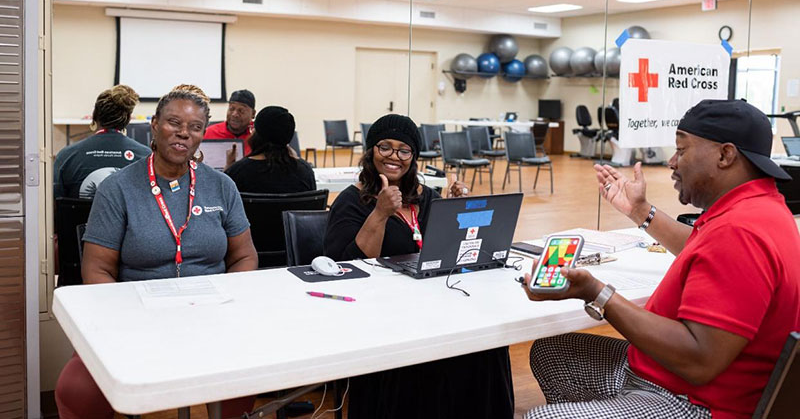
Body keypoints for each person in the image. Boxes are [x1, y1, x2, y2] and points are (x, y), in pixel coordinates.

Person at [522, 99, 800, 419]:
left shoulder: (741, 232)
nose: (671, 161)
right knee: (552, 351)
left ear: (725, 155)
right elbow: (700, 247)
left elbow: (699, 361)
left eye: (682, 150)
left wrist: (597, 293)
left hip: (691, 402)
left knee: (538, 418)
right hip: (661, 374)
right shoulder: (760, 208)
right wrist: (639, 211)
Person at [55, 84, 258, 419]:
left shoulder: (222, 186)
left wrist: (225, 299)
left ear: (202, 135)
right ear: (153, 125)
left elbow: (244, 256)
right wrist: (129, 317)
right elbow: (97, 269)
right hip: (135, 315)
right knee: (75, 389)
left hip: (210, 315)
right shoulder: (117, 188)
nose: (183, 134)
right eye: (173, 123)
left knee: (244, 377)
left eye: (194, 127)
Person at [324, 114, 515, 419]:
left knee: (487, 344)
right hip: (381, 310)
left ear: (413, 157)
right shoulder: (351, 201)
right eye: (385, 147)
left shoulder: (426, 198)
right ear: (371, 150)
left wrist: (457, 209)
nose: (393, 157)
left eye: (403, 150)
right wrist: (380, 212)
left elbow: (451, 250)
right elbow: (350, 269)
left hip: (432, 305)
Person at [53, 84, 151, 199]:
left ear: (94, 115)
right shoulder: (146, 157)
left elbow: (55, 202)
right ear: (128, 119)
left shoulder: (66, 156)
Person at [225, 105, 316, 193]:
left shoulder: (238, 172)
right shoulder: (305, 171)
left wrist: (228, 167)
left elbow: (221, 199)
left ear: (257, 134)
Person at [204, 89, 256, 157]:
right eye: (231, 109)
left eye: (241, 111)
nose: (234, 114)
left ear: (253, 114)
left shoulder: (257, 136)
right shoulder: (209, 133)